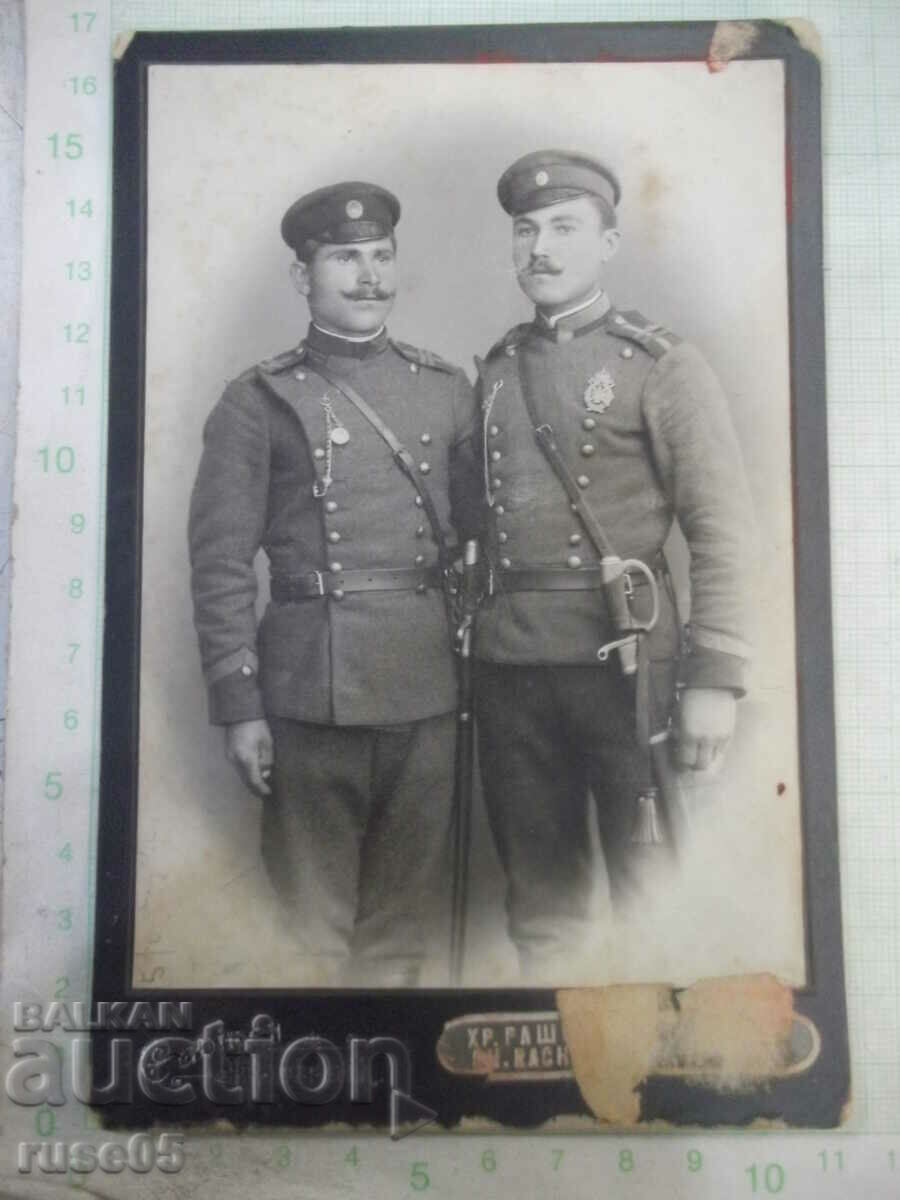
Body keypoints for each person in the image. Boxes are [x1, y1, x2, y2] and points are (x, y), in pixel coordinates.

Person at [472, 149, 756, 982]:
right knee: (541, 906)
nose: (541, 249)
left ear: (609, 242)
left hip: (629, 669)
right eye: (526, 231)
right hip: (513, 668)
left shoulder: (661, 364)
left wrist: (716, 678)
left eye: (565, 228)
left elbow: (723, 530)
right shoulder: (494, 370)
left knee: (651, 892)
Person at [188, 181, 478, 986]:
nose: (368, 275)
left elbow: (480, 536)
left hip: (426, 692)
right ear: (302, 276)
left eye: (381, 256)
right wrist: (239, 707)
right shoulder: (258, 400)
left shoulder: (445, 388)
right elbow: (218, 565)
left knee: (403, 937)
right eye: (345, 258)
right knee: (308, 937)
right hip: (311, 694)